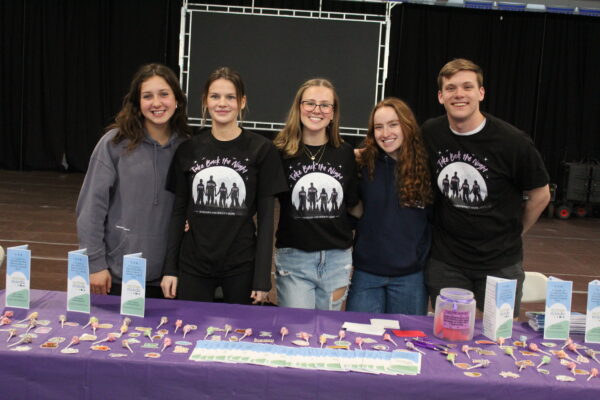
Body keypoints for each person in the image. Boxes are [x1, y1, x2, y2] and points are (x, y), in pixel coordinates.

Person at [422, 58, 550, 316]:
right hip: (447, 262)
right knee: (449, 336)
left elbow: (540, 194)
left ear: (481, 93)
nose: (459, 94)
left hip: (500, 263)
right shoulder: (431, 132)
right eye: (451, 88)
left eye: (467, 87)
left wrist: (516, 231)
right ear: (440, 96)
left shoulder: (512, 142)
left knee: (499, 342)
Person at [161, 67, 287, 304]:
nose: (222, 103)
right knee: (190, 334)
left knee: (238, 338)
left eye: (230, 97)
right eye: (215, 96)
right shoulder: (188, 149)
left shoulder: (262, 150)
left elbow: (267, 219)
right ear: (205, 101)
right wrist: (170, 269)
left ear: (242, 102)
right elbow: (178, 213)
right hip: (193, 264)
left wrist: (262, 278)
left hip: (240, 265)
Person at [76, 63, 191, 297]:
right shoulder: (114, 144)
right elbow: (90, 208)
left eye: (164, 94)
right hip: (118, 274)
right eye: (147, 96)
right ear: (138, 104)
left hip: (170, 277)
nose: (157, 103)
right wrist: (95, 264)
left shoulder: (188, 148)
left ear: (177, 99)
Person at [273, 78, 359, 311]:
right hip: (294, 258)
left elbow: (352, 205)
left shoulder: (345, 153)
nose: (316, 110)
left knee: (328, 337)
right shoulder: (280, 152)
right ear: (299, 107)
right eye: (310, 103)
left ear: (333, 113)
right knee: (297, 334)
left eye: (325, 105)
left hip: (337, 260)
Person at [346, 97, 432, 315]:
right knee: (359, 340)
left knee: (406, 344)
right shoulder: (363, 164)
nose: (386, 133)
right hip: (367, 274)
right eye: (378, 127)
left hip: (410, 277)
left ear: (407, 125)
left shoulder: (427, 166)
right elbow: (354, 209)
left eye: (393, 124)